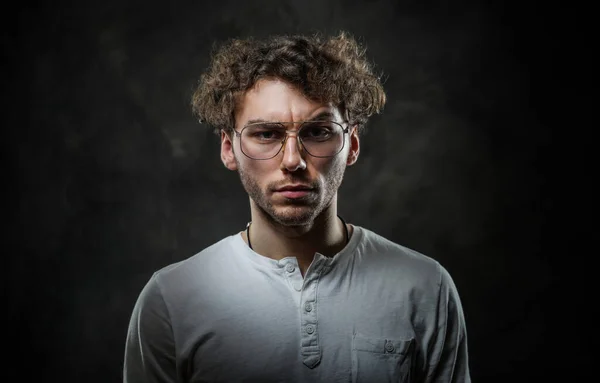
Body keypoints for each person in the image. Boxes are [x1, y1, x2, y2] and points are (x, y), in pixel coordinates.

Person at [123, 31, 471, 383]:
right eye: (266, 134)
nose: (293, 160)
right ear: (229, 148)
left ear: (351, 145)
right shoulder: (171, 299)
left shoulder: (425, 287)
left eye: (318, 132)